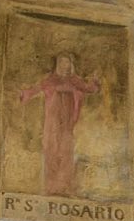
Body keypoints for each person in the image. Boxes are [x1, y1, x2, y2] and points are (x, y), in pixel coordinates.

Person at [20, 53, 100, 196]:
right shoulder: (51, 80)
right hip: (52, 122)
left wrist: (95, 81)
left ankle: (65, 187)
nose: (64, 65)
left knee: (66, 151)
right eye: (62, 62)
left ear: (71, 64)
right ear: (57, 64)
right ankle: (51, 187)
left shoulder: (74, 80)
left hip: (67, 123)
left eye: (67, 62)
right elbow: (35, 89)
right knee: (51, 150)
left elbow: (89, 89)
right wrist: (24, 93)